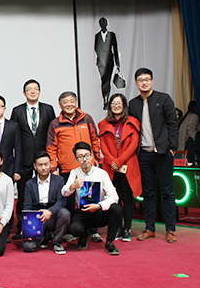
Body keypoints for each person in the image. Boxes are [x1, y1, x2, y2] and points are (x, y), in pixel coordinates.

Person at [128, 68, 179, 243]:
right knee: (148, 193)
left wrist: (172, 148)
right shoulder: (133, 104)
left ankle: (170, 229)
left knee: (168, 192)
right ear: (136, 83)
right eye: (140, 80)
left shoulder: (164, 99)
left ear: (152, 81)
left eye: (147, 79)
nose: (144, 82)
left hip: (163, 153)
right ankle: (149, 228)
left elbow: (173, 124)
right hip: (144, 155)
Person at [10, 79, 56, 240]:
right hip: (24, 158)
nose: (32, 91)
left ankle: (48, 225)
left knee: (47, 192)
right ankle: (22, 227)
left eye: (35, 89)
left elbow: (52, 133)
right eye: (29, 89)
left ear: (39, 91)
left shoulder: (48, 109)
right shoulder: (17, 111)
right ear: (24, 93)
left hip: (44, 158)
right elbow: (14, 136)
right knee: (23, 194)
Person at [62, 142, 122, 255]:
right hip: (82, 212)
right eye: (80, 157)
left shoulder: (102, 173)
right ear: (76, 159)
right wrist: (72, 186)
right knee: (73, 229)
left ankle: (110, 242)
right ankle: (84, 235)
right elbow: (64, 192)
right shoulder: (74, 173)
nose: (84, 159)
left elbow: (114, 196)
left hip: (99, 211)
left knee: (116, 208)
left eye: (87, 155)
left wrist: (99, 206)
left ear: (91, 156)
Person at [98, 94, 141, 242]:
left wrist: (120, 161)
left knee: (127, 198)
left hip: (127, 165)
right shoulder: (103, 124)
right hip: (111, 167)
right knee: (114, 199)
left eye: (119, 103)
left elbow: (133, 144)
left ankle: (127, 228)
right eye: (113, 103)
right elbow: (103, 145)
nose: (116, 106)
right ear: (109, 106)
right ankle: (116, 228)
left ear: (124, 105)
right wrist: (112, 162)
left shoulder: (132, 122)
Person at [22, 152, 70, 254]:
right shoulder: (30, 183)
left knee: (65, 213)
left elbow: (61, 202)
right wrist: (27, 227)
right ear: (35, 166)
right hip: (37, 218)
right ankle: (43, 236)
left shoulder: (59, 180)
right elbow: (27, 206)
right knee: (28, 247)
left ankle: (57, 242)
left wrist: (50, 211)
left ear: (51, 164)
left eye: (46, 164)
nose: (43, 168)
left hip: (53, 215)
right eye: (40, 165)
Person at [94, 17, 120, 110]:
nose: (103, 25)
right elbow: (96, 48)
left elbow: (115, 49)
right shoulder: (97, 36)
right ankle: (105, 98)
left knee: (107, 79)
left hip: (109, 61)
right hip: (101, 62)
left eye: (104, 23)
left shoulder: (112, 35)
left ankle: (106, 99)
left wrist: (117, 63)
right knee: (104, 80)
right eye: (102, 23)